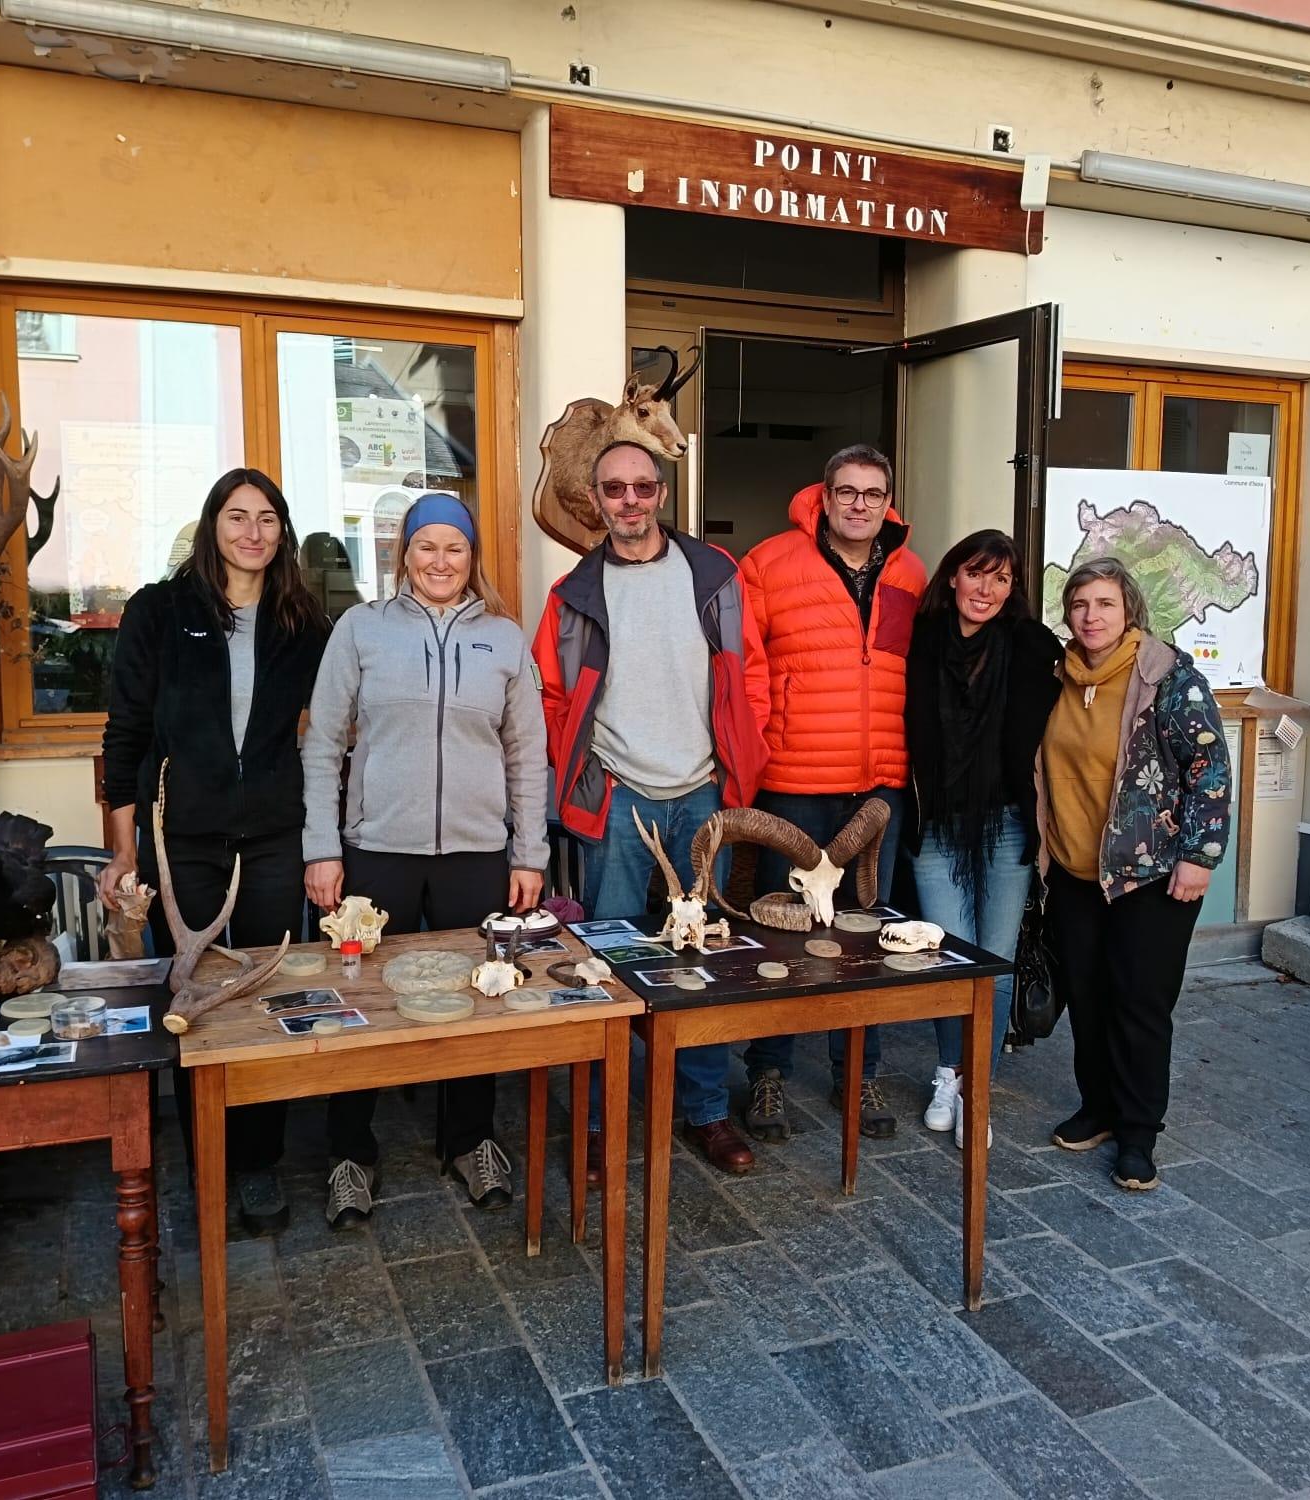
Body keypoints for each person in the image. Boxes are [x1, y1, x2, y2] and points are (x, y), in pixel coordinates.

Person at [301, 494, 547, 1218]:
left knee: (478, 998)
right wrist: (323, 848)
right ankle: (351, 1152)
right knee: (362, 1005)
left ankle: (468, 1141)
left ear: (472, 559)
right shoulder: (361, 630)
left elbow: (528, 754)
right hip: (377, 852)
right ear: (403, 554)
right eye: (426, 547)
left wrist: (528, 853)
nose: (440, 562)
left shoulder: (504, 639)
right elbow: (321, 745)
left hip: (477, 855)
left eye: (455, 548)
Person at [99, 467, 330, 1236]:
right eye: (238, 518)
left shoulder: (303, 620)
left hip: (271, 833)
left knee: (268, 991)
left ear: (283, 533)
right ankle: (206, 1153)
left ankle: (258, 1163)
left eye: (268, 519)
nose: (253, 533)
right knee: (192, 995)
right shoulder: (160, 611)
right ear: (212, 526)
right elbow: (126, 735)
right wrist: (122, 851)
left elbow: (333, 725)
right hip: (182, 837)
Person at [533, 439, 770, 1177]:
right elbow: (550, 694)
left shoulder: (716, 575)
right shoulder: (573, 593)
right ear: (595, 500)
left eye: (642, 487)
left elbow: (753, 672)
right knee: (608, 961)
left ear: (661, 493)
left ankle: (704, 1110)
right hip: (619, 797)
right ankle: (601, 1121)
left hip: (701, 793)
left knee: (697, 957)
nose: (628, 501)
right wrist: (584, 770)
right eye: (614, 490)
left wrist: (743, 759)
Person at [736, 444, 926, 1142]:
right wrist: (755, 753)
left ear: (887, 501)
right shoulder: (769, 562)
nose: (859, 505)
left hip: (878, 785)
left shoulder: (910, 570)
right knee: (781, 933)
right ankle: (768, 1073)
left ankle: (859, 1069)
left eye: (873, 494)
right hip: (794, 778)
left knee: (863, 933)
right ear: (824, 493)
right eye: (846, 491)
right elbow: (748, 670)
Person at [1040, 556, 1229, 1193]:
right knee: (1088, 999)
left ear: (1130, 614)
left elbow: (1208, 767)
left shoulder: (1167, 677)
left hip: (1152, 872)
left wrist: (1200, 856)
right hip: (1074, 868)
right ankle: (1098, 1108)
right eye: (1080, 605)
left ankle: (1139, 1131)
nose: (1091, 617)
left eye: (1105, 605)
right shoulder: (1057, 674)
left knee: (1140, 1002)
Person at [904, 530, 1061, 1146]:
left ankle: (976, 1087)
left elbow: (1090, 674)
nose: (987, 589)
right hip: (937, 826)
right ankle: (949, 1070)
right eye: (977, 573)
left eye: (1001, 578)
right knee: (950, 961)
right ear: (952, 577)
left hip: (1006, 827)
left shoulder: (1028, 644)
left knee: (993, 967)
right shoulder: (920, 642)